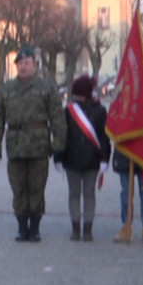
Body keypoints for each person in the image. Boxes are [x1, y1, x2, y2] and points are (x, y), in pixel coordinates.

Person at [0, 46, 66, 242]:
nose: (23, 67)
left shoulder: (46, 87)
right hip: (15, 145)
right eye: (19, 64)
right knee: (18, 187)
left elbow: (57, 117)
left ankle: (35, 227)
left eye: (27, 63)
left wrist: (59, 145)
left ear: (34, 65)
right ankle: (22, 226)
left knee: (37, 187)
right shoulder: (7, 89)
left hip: (39, 145)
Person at [54, 74, 110, 241]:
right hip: (71, 159)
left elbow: (103, 137)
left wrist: (105, 159)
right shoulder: (69, 111)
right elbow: (61, 134)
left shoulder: (100, 111)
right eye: (75, 94)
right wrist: (58, 156)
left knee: (89, 194)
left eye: (80, 94)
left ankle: (88, 228)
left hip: (92, 160)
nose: (77, 97)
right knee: (74, 193)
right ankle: (75, 226)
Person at [112, 104, 143, 244]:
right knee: (126, 193)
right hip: (124, 154)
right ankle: (126, 225)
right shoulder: (120, 106)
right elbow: (112, 128)